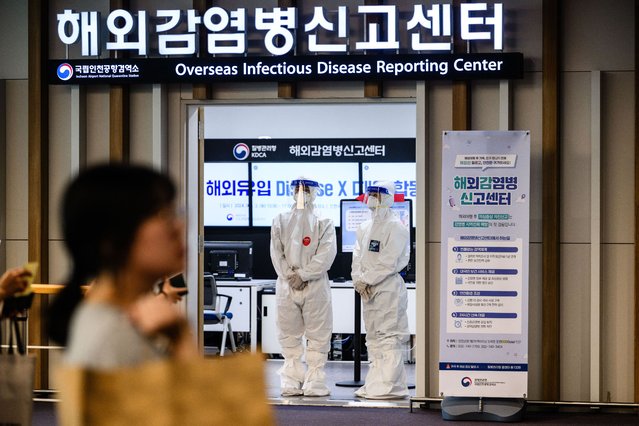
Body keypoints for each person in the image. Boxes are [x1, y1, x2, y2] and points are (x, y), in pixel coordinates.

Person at [47, 163, 196, 368]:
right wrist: (183, 341)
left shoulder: (111, 321)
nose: (179, 226)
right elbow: (199, 401)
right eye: (165, 215)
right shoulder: (113, 335)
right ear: (112, 240)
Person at [270, 178, 336, 397]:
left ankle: (315, 380)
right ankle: (291, 380)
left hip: (314, 284)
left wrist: (304, 274)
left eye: (306, 189)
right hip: (287, 284)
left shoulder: (324, 221)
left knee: (318, 334)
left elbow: (326, 254)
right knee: (288, 333)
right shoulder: (280, 220)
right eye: (297, 189)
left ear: (314, 192)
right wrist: (290, 275)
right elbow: (276, 253)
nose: (301, 193)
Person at [351, 180, 410, 399]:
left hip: (386, 288)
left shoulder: (397, 227)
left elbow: (389, 261)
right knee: (373, 338)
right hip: (367, 290)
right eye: (371, 193)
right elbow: (356, 257)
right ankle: (375, 383)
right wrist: (358, 279)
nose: (372, 197)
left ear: (388, 198)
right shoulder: (364, 227)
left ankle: (390, 386)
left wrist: (367, 280)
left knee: (388, 337)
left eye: (378, 193)